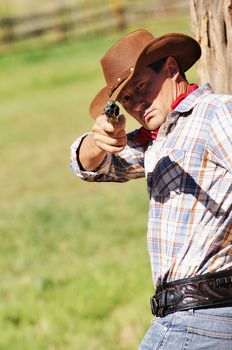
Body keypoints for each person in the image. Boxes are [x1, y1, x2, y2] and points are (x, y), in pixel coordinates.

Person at [70, 29, 232, 349]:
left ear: (171, 68)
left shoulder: (214, 113)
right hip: (189, 317)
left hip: (198, 319)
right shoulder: (155, 141)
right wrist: (98, 139)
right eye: (126, 99)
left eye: (141, 87)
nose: (137, 104)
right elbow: (87, 166)